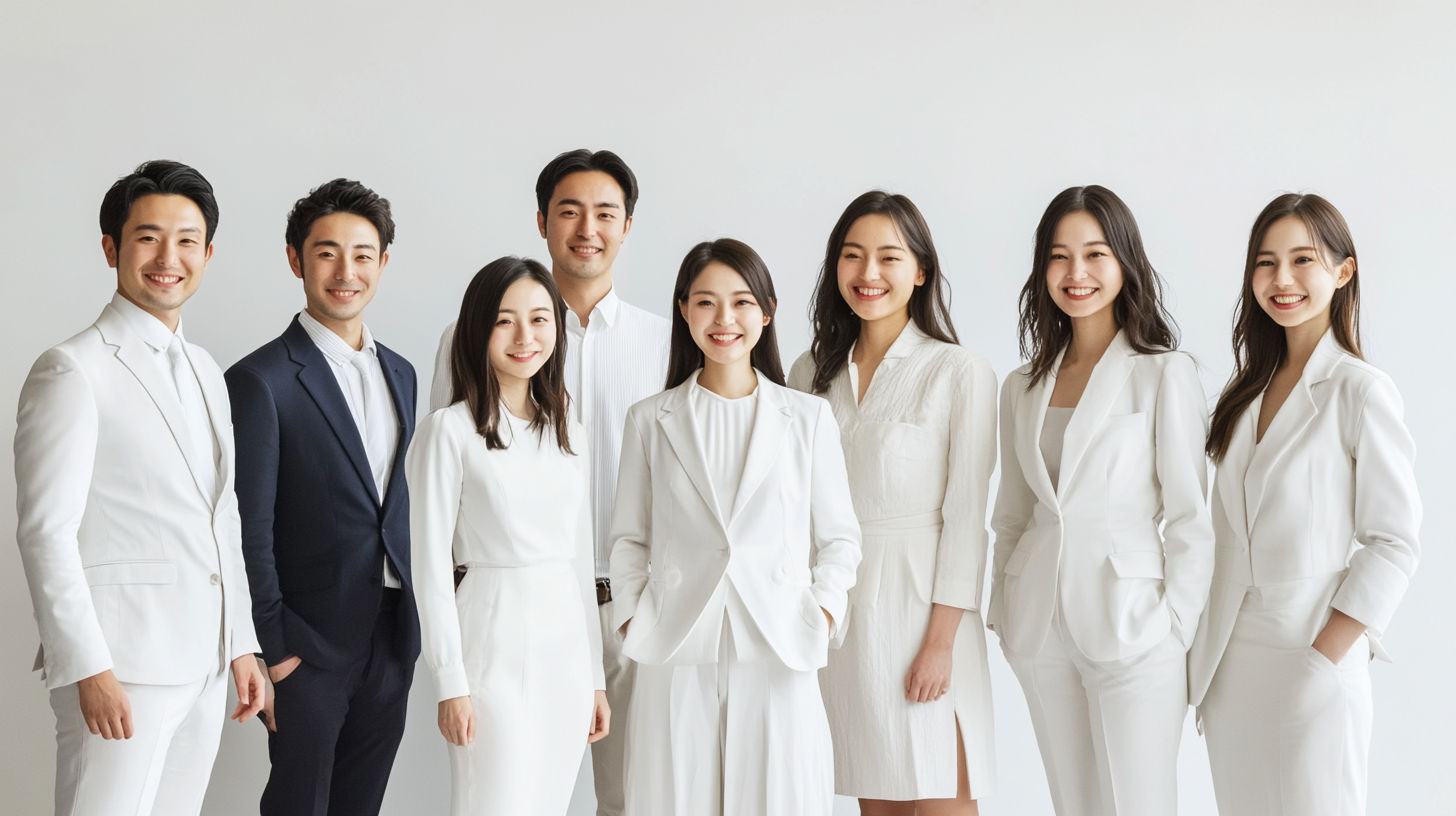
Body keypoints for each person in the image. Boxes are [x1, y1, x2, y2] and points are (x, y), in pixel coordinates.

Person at [14, 160, 265, 816]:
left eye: (187, 240)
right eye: (148, 237)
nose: (168, 257)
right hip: (121, 666)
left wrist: (240, 643)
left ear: (208, 253)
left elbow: (223, 515)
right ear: (111, 248)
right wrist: (86, 667)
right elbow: (46, 532)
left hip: (206, 664)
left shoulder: (207, 369)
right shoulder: (73, 368)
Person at [428, 149, 669, 816]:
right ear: (542, 221)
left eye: (605, 213)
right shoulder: (474, 337)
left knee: (633, 797)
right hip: (502, 615)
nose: (587, 227)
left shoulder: (665, 344)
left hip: (628, 607)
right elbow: (441, 511)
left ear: (626, 226)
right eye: (569, 211)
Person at [608, 238, 862, 816]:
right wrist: (630, 615)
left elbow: (839, 538)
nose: (725, 320)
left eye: (742, 302)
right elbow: (628, 538)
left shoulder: (807, 418)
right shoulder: (650, 419)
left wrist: (821, 611)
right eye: (706, 303)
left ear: (767, 311)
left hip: (779, 641)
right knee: (673, 798)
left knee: (780, 799)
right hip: (675, 643)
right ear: (684, 311)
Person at [1188, 194, 1421, 816]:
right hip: (1231, 664)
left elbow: (1394, 541)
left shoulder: (1360, 390)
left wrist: (1324, 657)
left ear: (1343, 272)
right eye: (1266, 263)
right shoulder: (1246, 391)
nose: (1281, 280)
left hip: (1311, 652)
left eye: (1302, 260)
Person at [987, 185, 1214, 816]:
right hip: (1039, 627)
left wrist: (1175, 627)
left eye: (1094, 254)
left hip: (1135, 626)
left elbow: (1193, 517)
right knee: (1074, 805)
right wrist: (1004, 609)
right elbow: (1012, 512)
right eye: (1060, 257)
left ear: (1124, 263)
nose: (1076, 273)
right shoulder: (1022, 386)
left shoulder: (1162, 373)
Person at [788, 191, 998, 815]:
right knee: (876, 803)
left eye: (888, 256)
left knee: (942, 794)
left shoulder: (959, 371)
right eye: (852, 256)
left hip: (924, 611)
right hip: (843, 619)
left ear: (921, 270)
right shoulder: (809, 373)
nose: (868, 273)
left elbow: (967, 519)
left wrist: (939, 642)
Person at [225, 179, 419, 816]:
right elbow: (247, 529)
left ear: (383, 263)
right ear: (295, 259)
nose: (346, 271)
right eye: (327, 252)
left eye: (363, 254)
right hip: (305, 647)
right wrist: (274, 652)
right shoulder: (261, 380)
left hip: (391, 640)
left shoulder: (403, 373)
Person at [409, 256, 609, 816]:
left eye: (540, 319)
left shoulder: (566, 426)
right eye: (504, 320)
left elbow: (579, 559)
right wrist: (450, 681)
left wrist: (593, 678)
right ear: (478, 330)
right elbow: (427, 564)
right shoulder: (449, 431)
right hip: (491, 640)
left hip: (564, 649)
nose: (525, 337)